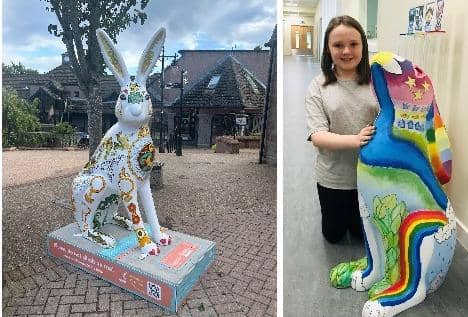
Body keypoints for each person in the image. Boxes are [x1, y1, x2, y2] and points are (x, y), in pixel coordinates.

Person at [305, 15, 379, 243]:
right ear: (328, 49)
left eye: (354, 44)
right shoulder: (318, 86)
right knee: (333, 235)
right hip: (333, 178)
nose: (346, 51)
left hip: (372, 176)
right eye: (338, 45)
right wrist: (355, 140)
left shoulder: (378, 80)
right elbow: (317, 135)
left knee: (361, 234)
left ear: (363, 46)